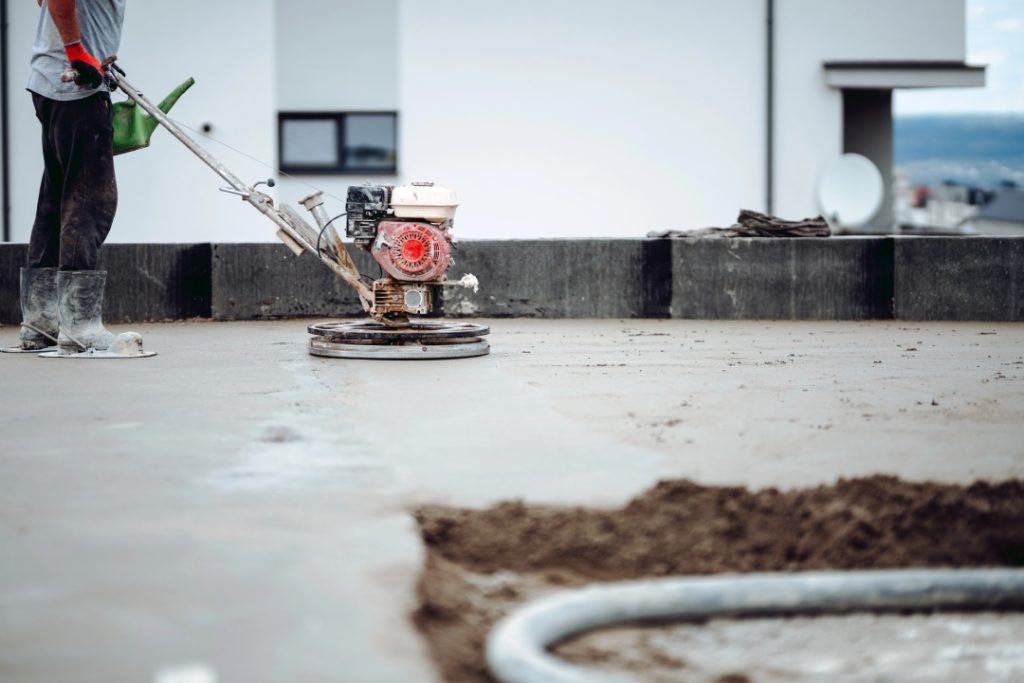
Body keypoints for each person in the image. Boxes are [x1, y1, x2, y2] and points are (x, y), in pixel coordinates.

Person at [15, 0, 142, 355]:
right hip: (74, 85)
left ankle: (40, 323)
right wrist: (76, 52)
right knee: (89, 201)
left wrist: (90, 53)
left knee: (55, 198)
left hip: (55, 82)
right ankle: (79, 326)